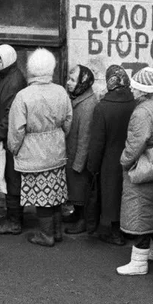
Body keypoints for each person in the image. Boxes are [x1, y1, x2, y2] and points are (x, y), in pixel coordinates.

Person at [7, 49, 72, 247]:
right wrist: (58, 138)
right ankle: (57, 231)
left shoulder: (23, 96)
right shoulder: (61, 91)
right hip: (57, 150)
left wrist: (14, 149)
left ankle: (46, 235)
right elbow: (68, 121)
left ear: (31, 70)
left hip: (33, 153)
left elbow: (16, 130)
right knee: (55, 192)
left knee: (41, 196)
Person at [116, 68, 153, 275]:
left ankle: (139, 262)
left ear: (143, 91)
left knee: (139, 211)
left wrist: (124, 162)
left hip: (142, 164)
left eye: (135, 87)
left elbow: (135, 144)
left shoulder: (140, 112)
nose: (132, 89)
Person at [85, 65, 134, 246]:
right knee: (125, 193)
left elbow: (97, 141)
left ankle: (115, 233)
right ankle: (128, 230)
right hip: (130, 155)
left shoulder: (103, 108)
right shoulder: (135, 103)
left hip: (109, 159)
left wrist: (92, 166)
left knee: (111, 194)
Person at [0, 44, 28, 235]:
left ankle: (14, 222)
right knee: (10, 177)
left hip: (10, 138)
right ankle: (14, 217)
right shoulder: (5, 76)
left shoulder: (13, 80)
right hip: (5, 135)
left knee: (13, 178)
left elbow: (9, 111)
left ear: (8, 60)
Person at [63, 64, 97, 236]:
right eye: (69, 79)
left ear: (83, 82)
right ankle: (76, 213)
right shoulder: (78, 98)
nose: (68, 83)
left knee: (80, 188)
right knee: (74, 188)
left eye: (72, 80)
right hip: (72, 152)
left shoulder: (88, 105)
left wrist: (78, 163)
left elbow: (85, 138)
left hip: (78, 156)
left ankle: (83, 219)